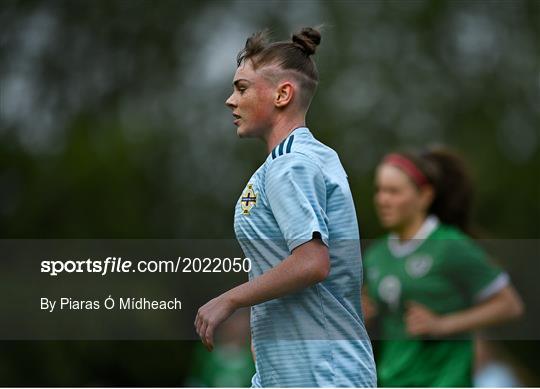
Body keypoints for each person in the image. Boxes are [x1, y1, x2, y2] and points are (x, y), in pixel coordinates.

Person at [194, 27, 376, 387]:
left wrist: (229, 300)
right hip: (294, 373)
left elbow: (312, 261)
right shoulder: (304, 158)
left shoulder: (290, 165)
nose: (231, 100)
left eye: (242, 88)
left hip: (322, 375)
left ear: (282, 94)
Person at [362, 148, 524, 387]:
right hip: (393, 381)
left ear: (425, 195)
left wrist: (442, 325)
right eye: (379, 190)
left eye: (393, 191)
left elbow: (509, 305)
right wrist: (362, 314)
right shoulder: (376, 255)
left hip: (444, 381)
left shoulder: (450, 246)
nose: (382, 200)